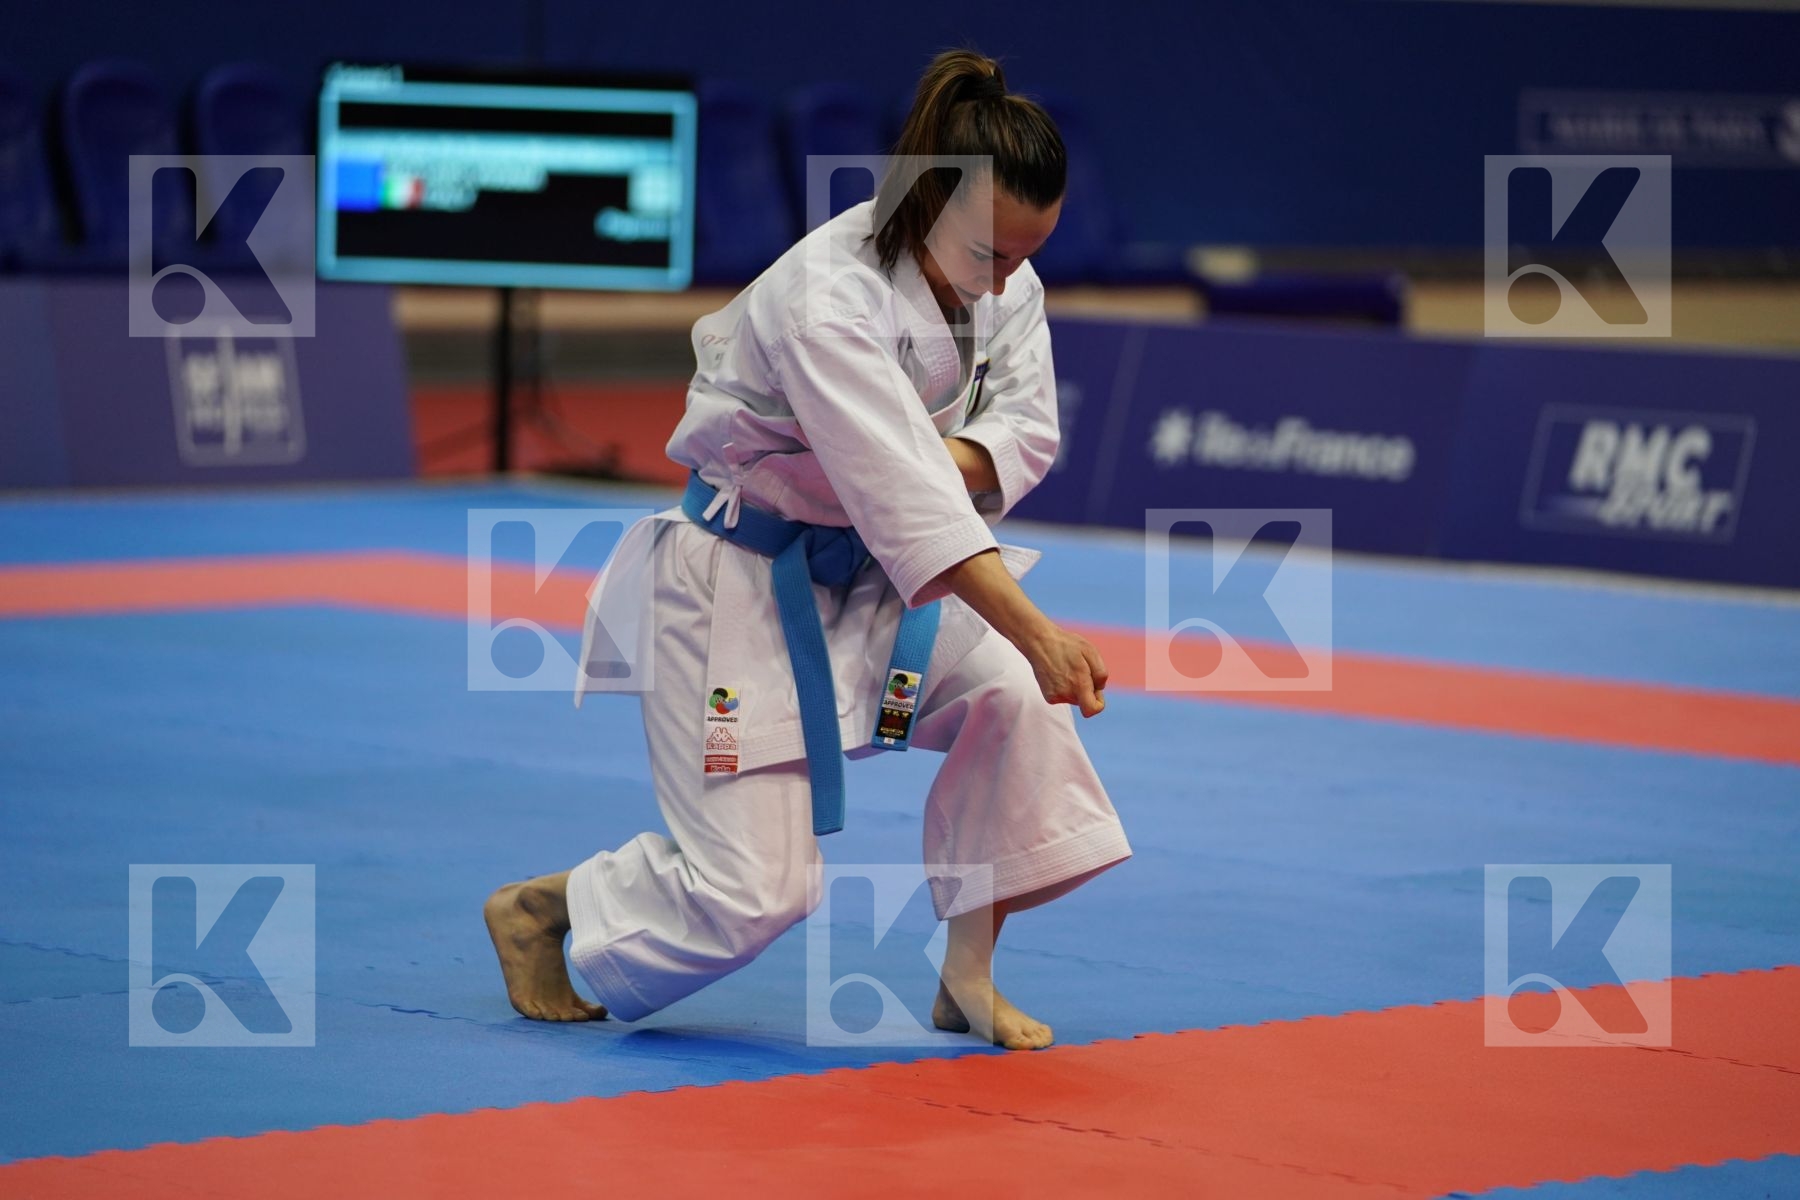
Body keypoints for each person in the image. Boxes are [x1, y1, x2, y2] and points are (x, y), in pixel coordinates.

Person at [486, 48, 1131, 1052]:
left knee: (1012, 697)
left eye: (1023, 255)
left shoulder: (1006, 277)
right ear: (926, 198)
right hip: (740, 587)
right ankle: (551, 906)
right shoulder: (826, 298)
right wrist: (1037, 622)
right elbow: (910, 504)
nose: (1007, 278)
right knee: (759, 894)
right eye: (990, 254)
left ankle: (967, 975)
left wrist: (914, 463)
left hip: (877, 577)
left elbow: (1024, 432)